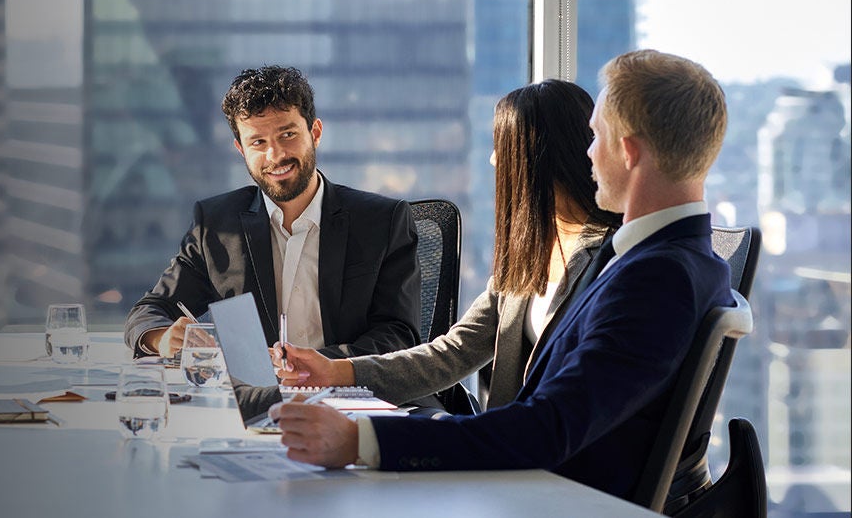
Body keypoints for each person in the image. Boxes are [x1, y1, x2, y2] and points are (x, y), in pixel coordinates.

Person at [271, 49, 735, 501]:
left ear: (627, 152)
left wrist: (360, 441)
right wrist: (341, 374)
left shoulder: (654, 279)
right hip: (531, 482)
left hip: (550, 496)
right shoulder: (652, 260)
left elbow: (549, 429)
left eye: (596, 136)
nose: (588, 152)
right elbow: (474, 362)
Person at [275, 79, 621, 409]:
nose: (494, 160)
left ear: (535, 157)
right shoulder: (527, 253)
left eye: (502, 146)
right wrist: (337, 371)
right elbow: (454, 352)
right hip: (510, 445)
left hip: (555, 453)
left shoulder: (613, 256)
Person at [123, 65, 420, 360]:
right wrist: (160, 337)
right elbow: (148, 312)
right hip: (261, 401)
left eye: (287, 134)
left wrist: (322, 366)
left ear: (314, 133)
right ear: (241, 150)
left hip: (354, 397)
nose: (275, 155)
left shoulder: (383, 220)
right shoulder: (216, 225)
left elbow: (399, 336)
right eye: (258, 142)